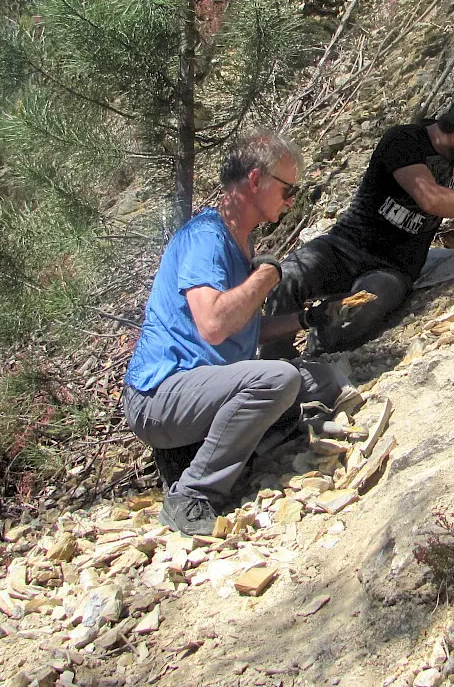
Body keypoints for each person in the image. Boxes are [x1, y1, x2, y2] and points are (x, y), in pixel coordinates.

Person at [122, 132, 348, 536]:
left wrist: (306, 320)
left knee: (320, 378)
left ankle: (205, 450)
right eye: (288, 189)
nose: (292, 200)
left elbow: (240, 327)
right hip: (159, 396)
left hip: (201, 384)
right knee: (279, 380)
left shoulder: (238, 240)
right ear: (256, 179)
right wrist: (267, 274)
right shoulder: (206, 238)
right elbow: (213, 325)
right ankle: (190, 495)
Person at [262, 95, 454, 357]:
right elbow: (432, 200)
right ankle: (274, 362)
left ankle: (316, 354)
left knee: (365, 306)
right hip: (343, 247)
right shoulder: (404, 141)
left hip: (392, 267)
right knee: (288, 277)